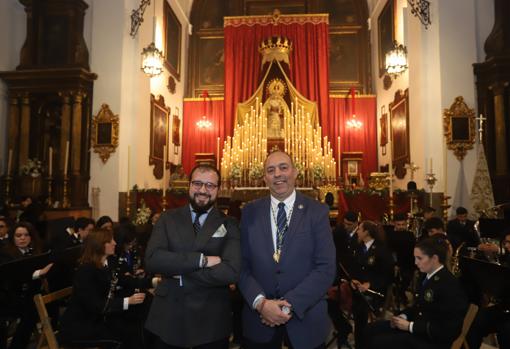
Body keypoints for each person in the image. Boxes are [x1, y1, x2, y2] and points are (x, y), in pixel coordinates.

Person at [238, 151, 336, 349]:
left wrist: (286, 305)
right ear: (265, 177)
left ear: (295, 172)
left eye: (284, 167)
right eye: (271, 170)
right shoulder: (250, 212)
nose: (278, 174)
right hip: (259, 320)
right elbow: (241, 264)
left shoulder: (317, 211)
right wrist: (261, 304)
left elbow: (325, 268)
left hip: (305, 318)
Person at [145, 163, 241, 349]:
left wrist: (178, 273)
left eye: (210, 185)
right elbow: (152, 260)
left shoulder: (230, 224)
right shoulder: (167, 219)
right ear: (188, 185)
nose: (203, 190)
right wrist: (201, 260)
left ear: (218, 190)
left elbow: (231, 271)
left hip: (211, 322)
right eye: (197, 183)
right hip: (168, 318)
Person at [363, 237, 468, 349]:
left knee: (379, 342)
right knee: (371, 329)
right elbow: (418, 306)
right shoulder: (426, 275)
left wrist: (410, 326)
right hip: (418, 330)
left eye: (419, 258)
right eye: (415, 258)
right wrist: (403, 316)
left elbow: (448, 329)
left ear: (434, 259)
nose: (415, 262)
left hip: (432, 341)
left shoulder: (448, 284)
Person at [59, 228, 148, 349]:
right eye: (110, 241)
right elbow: (95, 305)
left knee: (136, 324)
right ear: (99, 245)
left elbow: (125, 281)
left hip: (98, 319)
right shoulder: (86, 270)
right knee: (125, 336)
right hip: (81, 326)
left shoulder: (109, 263)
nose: (115, 243)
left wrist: (152, 282)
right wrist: (128, 301)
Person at [0, 222, 53, 349]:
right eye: (18, 235)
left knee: (48, 304)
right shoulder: (5, 253)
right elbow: (13, 276)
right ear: (13, 237)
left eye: (26, 235)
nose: (22, 238)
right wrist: (39, 273)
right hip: (8, 297)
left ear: (31, 237)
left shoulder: (35, 251)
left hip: (28, 296)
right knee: (30, 313)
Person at [342, 220, 394, 348]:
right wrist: (352, 280)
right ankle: (359, 342)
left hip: (375, 291)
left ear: (367, 232)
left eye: (359, 229)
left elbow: (387, 274)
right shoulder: (357, 247)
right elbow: (352, 268)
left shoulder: (381, 249)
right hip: (358, 291)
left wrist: (369, 284)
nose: (357, 232)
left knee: (362, 312)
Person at [466, 231, 510, 349]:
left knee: (506, 333)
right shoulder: (508, 256)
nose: (506, 246)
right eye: (505, 242)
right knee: (475, 322)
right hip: (504, 307)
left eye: (509, 243)